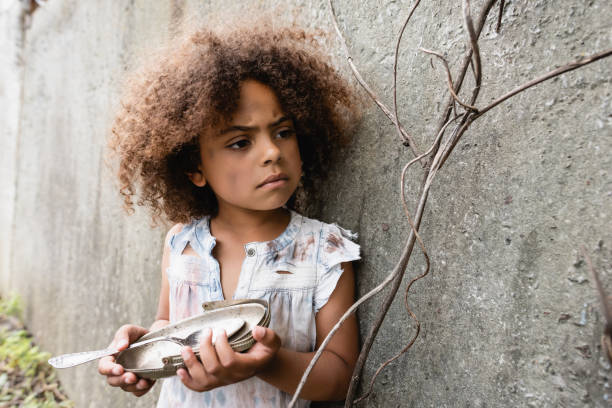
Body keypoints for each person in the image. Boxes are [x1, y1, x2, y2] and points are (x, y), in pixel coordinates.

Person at [98, 21, 361, 407]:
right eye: (241, 142)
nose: (272, 152)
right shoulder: (181, 243)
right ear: (194, 168)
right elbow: (168, 323)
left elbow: (340, 376)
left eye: (283, 131)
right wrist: (143, 352)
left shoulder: (324, 252)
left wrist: (263, 363)